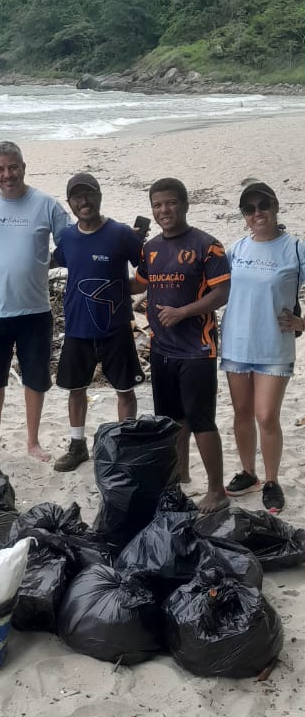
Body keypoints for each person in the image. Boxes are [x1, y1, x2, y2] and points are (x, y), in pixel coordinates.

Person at [134, 177, 231, 511]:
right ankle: (180, 477)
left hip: (197, 349)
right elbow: (139, 284)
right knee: (172, 420)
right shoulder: (150, 248)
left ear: (185, 204)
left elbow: (222, 293)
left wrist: (183, 312)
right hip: (162, 348)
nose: (164, 210)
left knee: (201, 420)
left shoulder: (207, 245)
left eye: (170, 203)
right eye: (157, 205)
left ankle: (216, 491)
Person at [0, 140, 69, 461]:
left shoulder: (46, 204)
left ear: (23, 167)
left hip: (36, 311)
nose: (7, 174)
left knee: (36, 379)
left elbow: (72, 241)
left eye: (13, 167)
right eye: (0, 169)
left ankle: (32, 441)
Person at [220, 182, 305, 514]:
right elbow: (212, 286)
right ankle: (250, 474)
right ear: (244, 216)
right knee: (241, 413)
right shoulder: (237, 249)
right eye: (249, 209)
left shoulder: (295, 248)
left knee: (266, 415)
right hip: (237, 342)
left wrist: (303, 323)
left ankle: (271, 481)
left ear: (275, 207)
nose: (257, 213)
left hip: (274, 345)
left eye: (263, 206)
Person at [52, 172, 144, 471]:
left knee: (124, 389)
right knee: (76, 389)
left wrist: (127, 288)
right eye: (77, 197)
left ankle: (127, 446)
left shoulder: (121, 234)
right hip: (78, 327)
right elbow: (62, 262)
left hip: (116, 327)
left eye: (89, 194)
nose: (84, 201)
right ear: (70, 203)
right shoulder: (66, 236)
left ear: (99, 196)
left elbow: (147, 270)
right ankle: (78, 445)